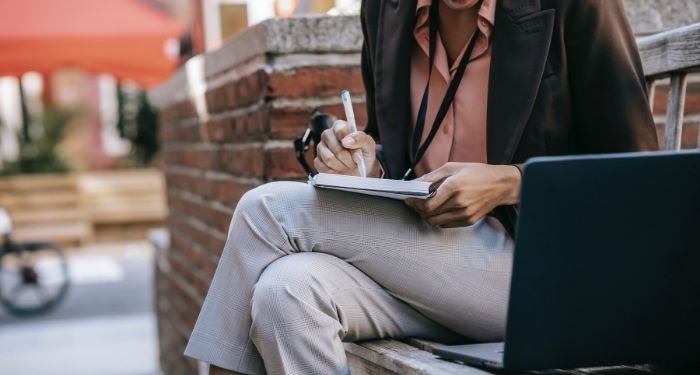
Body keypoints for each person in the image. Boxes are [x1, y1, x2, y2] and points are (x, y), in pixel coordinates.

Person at [185, 0, 658, 374]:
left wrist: (513, 182)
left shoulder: (578, 5)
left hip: (549, 277)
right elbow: (399, 155)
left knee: (265, 209)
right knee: (284, 295)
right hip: (437, 274)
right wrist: (365, 166)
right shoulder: (387, 11)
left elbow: (640, 182)